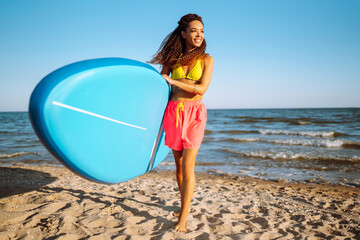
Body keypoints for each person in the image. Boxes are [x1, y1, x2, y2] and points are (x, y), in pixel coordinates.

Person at [149, 13, 214, 233]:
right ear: (184, 33)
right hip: (173, 113)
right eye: (194, 30)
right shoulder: (172, 60)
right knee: (178, 166)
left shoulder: (207, 60)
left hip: (194, 113)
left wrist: (173, 80)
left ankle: (183, 218)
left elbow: (202, 89)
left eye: (202, 31)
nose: (199, 34)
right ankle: (183, 204)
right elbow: (159, 85)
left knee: (188, 166)